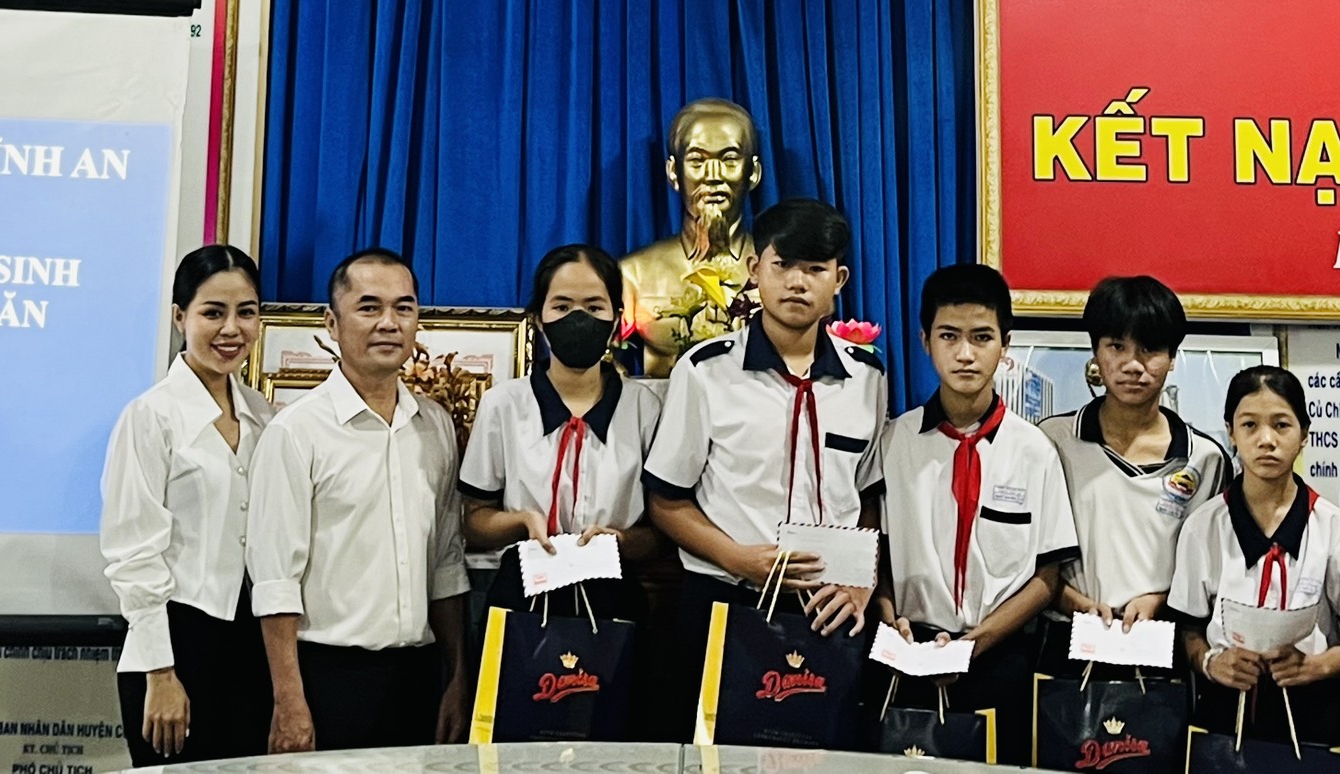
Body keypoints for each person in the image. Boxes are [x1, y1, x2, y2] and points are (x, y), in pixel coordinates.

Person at [645, 196, 889, 698]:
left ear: (839, 280)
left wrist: (861, 584)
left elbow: (868, 496)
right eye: (784, 265)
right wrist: (738, 560)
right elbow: (666, 501)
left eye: (815, 269)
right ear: (755, 270)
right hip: (726, 596)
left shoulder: (868, 376)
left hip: (830, 605)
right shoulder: (706, 370)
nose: (798, 282)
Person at [250, 247, 470, 753]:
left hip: (418, 676)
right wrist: (289, 699)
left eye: (403, 308)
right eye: (369, 307)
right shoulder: (296, 431)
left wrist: (458, 676)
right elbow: (275, 580)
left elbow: (446, 564)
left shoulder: (434, 425)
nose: (389, 323)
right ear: (332, 323)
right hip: (328, 677)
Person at [871, 263, 1076, 757]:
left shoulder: (1035, 450)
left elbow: (1047, 576)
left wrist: (975, 644)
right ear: (925, 341)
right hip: (906, 652)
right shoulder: (895, 442)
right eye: (949, 336)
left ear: (1005, 345)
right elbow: (875, 552)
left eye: (982, 337)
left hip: (998, 656)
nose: (965, 354)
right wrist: (889, 618)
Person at [98, 244, 276, 764]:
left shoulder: (264, 416)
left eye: (246, 312)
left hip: (250, 644)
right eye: (213, 313)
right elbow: (133, 553)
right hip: (175, 643)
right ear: (180, 317)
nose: (231, 329)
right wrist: (161, 673)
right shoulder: (150, 416)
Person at [1169, 365, 1340, 752]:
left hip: (1314, 713)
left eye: (1281, 425)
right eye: (1249, 425)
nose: (1266, 441)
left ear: (1304, 434)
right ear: (1230, 432)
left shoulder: (1335, 528)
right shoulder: (1202, 527)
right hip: (1224, 712)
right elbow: (1188, 630)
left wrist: (1317, 665)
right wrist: (1211, 662)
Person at [461, 242, 661, 622]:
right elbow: (475, 520)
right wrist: (522, 522)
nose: (578, 319)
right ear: (539, 318)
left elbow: (660, 530)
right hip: (523, 592)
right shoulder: (504, 404)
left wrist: (621, 541)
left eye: (594, 307)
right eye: (562, 307)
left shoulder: (644, 408)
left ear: (616, 318)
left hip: (613, 595)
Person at [1045, 274, 1226, 629]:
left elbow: (1211, 565)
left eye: (1150, 349)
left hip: (1164, 637)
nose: (1133, 364)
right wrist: (1072, 602)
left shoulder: (1205, 458)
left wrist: (1162, 600)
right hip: (1066, 635)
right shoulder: (1053, 441)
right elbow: (1027, 553)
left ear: (1172, 357)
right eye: (1117, 346)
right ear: (1096, 351)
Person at [620, 99, 764, 374]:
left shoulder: (779, 271)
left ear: (753, 173)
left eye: (729, 159)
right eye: (697, 161)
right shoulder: (633, 275)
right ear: (674, 172)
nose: (713, 176)